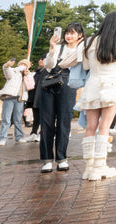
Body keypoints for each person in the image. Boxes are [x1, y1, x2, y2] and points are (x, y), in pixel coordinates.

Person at [75, 11, 116, 180]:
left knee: (91, 126)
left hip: (92, 84)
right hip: (111, 84)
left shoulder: (89, 41)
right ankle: (100, 167)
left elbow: (84, 65)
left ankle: (89, 168)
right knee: (104, 126)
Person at [38, 24, 83, 173]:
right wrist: (52, 48)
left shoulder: (82, 50)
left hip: (68, 85)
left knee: (64, 122)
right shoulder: (59, 48)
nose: (68, 36)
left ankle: (62, 158)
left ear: (80, 35)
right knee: (46, 122)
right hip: (50, 84)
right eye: (67, 33)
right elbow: (49, 66)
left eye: (72, 33)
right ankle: (47, 160)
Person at [0, 58, 29, 146]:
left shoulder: (28, 75)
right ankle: (2, 138)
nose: (23, 66)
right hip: (9, 97)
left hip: (20, 99)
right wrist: (7, 65)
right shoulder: (14, 72)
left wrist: (27, 75)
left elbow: (31, 85)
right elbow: (7, 71)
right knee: (6, 119)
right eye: (22, 64)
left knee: (18, 119)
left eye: (26, 65)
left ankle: (19, 137)